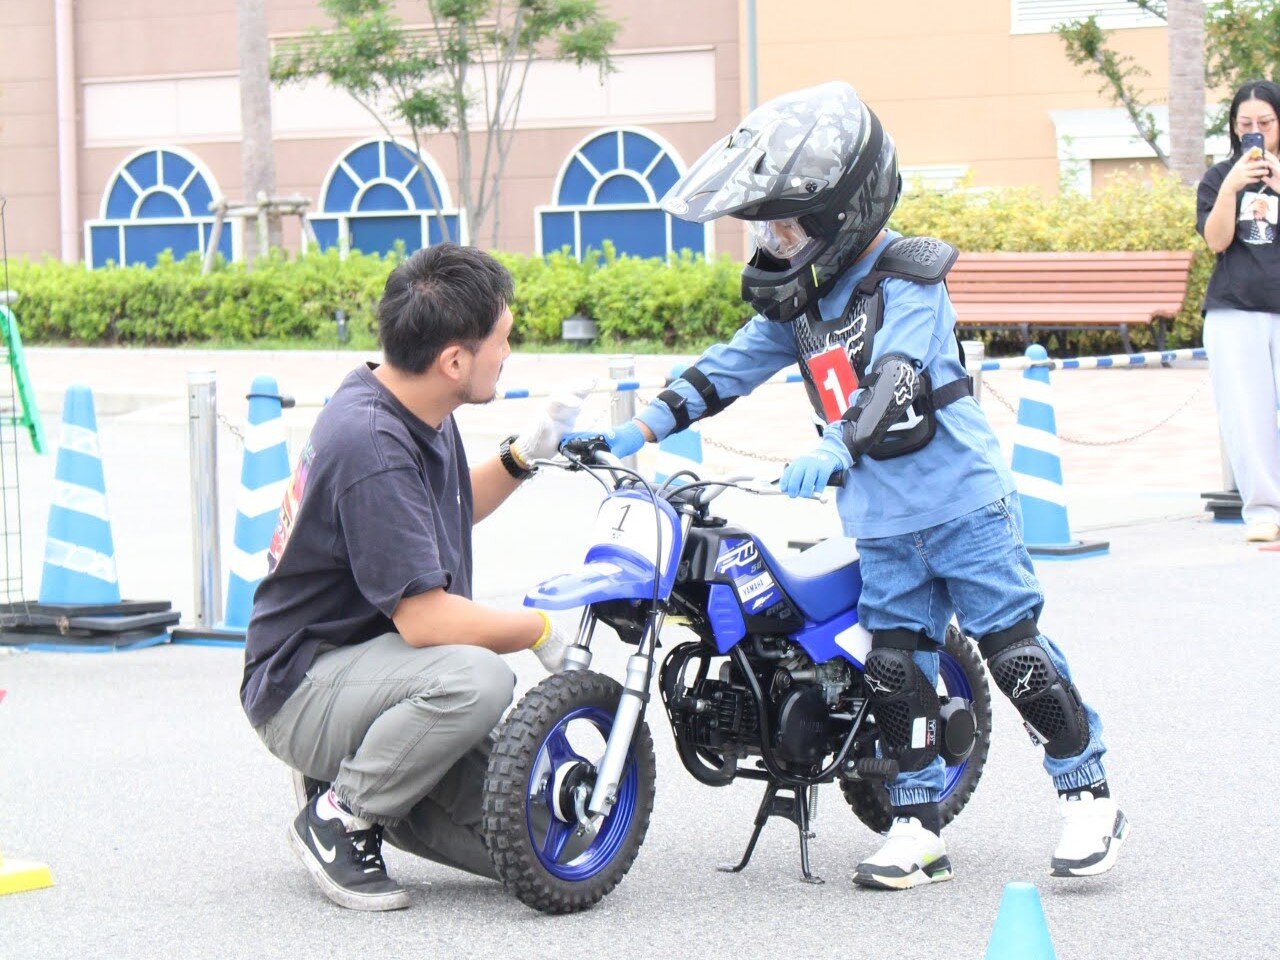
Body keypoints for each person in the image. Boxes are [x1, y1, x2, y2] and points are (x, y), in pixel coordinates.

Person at [581, 81, 1126, 888]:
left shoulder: (909, 276)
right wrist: (639, 426)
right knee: (896, 669)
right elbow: (726, 370)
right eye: (767, 225)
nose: (773, 239)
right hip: (882, 521)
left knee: (1013, 655)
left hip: (962, 505)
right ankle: (915, 823)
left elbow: (898, 377)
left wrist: (838, 444)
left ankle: (1089, 792)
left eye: (786, 222)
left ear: (844, 210)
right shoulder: (799, 305)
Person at [241, 242, 585, 911]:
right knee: (479, 677)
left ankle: (354, 780)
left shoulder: (410, 399)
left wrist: (523, 454)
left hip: (371, 668)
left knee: (547, 845)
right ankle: (339, 817)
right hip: (303, 685)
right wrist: (537, 628)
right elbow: (427, 619)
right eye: (503, 340)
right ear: (454, 360)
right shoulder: (371, 443)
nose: (509, 353)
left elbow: (450, 503)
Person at [1196, 78, 1280, 543]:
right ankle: (1265, 510)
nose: (1255, 132)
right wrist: (1231, 188)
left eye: (1265, 123)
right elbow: (1216, 240)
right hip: (1236, 309)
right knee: (1247, 415)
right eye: (1245, 124)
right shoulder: (1219, 177)